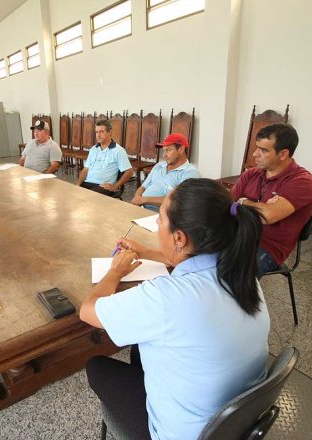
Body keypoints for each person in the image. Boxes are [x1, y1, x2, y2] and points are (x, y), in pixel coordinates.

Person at [80, 178, 270, 440]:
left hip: (182, 434)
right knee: (141, 348)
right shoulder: (243, 276)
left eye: (159, 219)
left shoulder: (166, 297)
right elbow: (188, 258)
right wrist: (147, 251)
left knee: (96, 365)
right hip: (235, 421)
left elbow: (88, 310)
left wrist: (114, 272)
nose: (157, 225)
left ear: (179, 237)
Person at [230, 123, 312, 278]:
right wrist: (256, 206)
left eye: (263, 150)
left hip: (266, 247)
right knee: (189, 255)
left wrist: (242, 202)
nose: (255, 154)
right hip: (237, 234)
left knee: (234, 278)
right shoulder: (251, 174)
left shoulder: (302, 181)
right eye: (257, 147)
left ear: (283, 153)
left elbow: (267, 215)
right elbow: (227, 203)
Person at [130, 133, 200, 212]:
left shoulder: (190, 173)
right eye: (163, 150)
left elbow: (177, 201)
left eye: (168, 150)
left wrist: (143, 200)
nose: (164, 155)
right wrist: (136, 200)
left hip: (161, 215)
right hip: (141, 208)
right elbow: (143, 187)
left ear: (181, 149)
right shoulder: (159, 166)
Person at [76, 119, 133, 197]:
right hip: (87, 183)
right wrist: (78, 184)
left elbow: (129, 172)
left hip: (102, 186)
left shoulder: (118, 150)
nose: (98, 135)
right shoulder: (93, 149)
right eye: (96, 132)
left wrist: (114, 186)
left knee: (87, 198)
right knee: (72, 194)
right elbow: (85, 170)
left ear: (109, 132)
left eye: (101, 132)